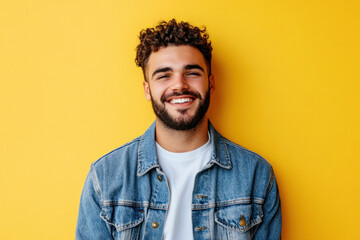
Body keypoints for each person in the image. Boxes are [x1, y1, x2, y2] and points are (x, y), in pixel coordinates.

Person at [76, 19, 282, 240]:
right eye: (164, 75)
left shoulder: (255, 175)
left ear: (211, 83)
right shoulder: (105, 176)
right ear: (147, 90)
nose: (179, 85)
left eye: (192, 73)